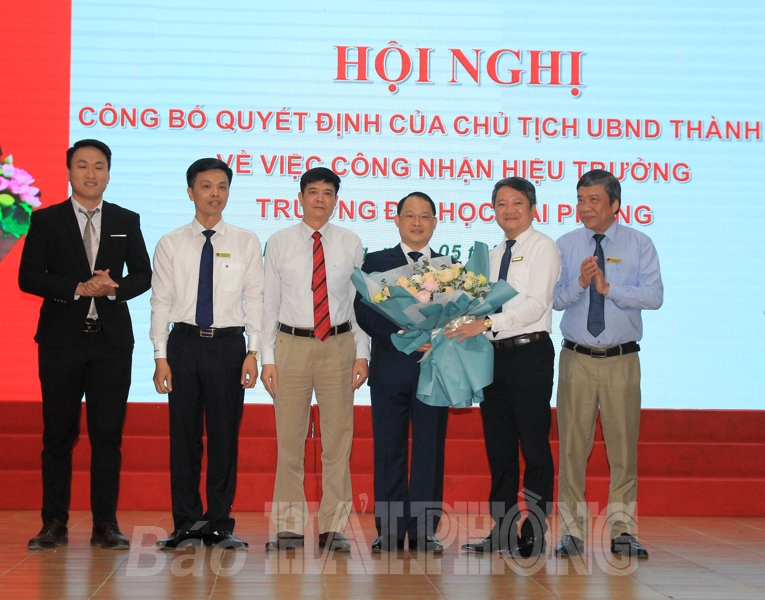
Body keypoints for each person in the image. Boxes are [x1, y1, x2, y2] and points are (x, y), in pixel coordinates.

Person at [19, 139, 152, 550]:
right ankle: (53, 523)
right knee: (58, 434)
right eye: (82, 165)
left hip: (111, 344)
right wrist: (76, 287)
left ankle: (105, 525)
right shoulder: (46, 220)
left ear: (109, 173)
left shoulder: (126, 219)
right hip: (61, 342)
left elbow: (143, 274)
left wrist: (115, 289)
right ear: (69, 172)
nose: (90, 173)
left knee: (107, 436)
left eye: (98, 166)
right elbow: (28, 276)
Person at [150, 158, 263, 550]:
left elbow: (256, 299)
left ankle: (218, 523)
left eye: (222, 186)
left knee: (223, 437)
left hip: (229, 347)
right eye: (206, 186)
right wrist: (160, 356)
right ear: (190, 192)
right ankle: (186, 523)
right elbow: (160, 302)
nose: (215, 193)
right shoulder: (171, 242)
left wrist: (253, 351)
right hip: (183, 344)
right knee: (183, 438)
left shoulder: (246, 241)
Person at [448, 177, 560, 558]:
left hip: (529, 353)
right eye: (501, 203)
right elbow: (473, 304)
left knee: (534, 445)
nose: (509, 210)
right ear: (493, 210)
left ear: (533, 208)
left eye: (517, 203)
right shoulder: (491, 255)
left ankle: (536, 529)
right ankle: (503, 528)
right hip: (492, 356)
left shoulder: (544, 247)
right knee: (499, 447)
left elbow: (537, 304)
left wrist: (487, 323)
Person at [553, 169, 663, 560]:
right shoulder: (565, 245)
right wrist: (580, 285)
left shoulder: (639, 243)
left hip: (621, 359)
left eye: (594, 200)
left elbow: (654, 296)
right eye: (580, 199)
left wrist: (608, 289)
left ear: (615, 204)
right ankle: (571, 532)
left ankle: (623, 530)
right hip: (576, 358)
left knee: (623, 449)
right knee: (572, 449)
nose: (585, 207)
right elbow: (556, 300)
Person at [261, 167, 370, 553]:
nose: (320, 198)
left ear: (336, 200)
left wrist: (362, 353)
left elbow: (359, 305)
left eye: (327, 192)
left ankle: (332, 528)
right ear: (300, 197)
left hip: (338, 346)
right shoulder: (279, 242)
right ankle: (289, 527)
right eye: (313, 191)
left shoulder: (351, 242)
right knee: (289, 439)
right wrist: (267, 357)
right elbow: (268, 302)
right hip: (290, 345)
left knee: (338, 440)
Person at [354, 192, 449, 553]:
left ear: (435, 222)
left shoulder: (449, 267)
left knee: (429, 450)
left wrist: (437, 333)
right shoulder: (377, 262)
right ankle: (390, 530)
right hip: (390, 367)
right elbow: (364, 310)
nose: (416, 222)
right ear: (396, 220)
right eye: (409, 215)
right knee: (388, 449)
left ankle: (424, 531)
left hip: (433, 369)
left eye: (424, 216)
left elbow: (460, 314)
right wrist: (399, 336)